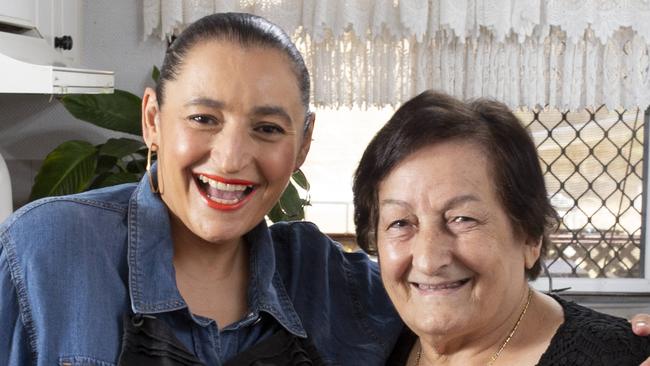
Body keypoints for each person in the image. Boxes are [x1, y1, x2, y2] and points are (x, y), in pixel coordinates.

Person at [0, 13, 402, 365]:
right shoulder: (45, 249)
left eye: (267, 128)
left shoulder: (331, 282)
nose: (230, 158)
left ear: (303, 144)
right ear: (153, 120)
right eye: (203, 119)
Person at [352, 90, 650, 365]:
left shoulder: (622, 358)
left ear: (530, 235)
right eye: (401, 223)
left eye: (462, 219)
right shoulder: (368, 347)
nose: (429, 260)